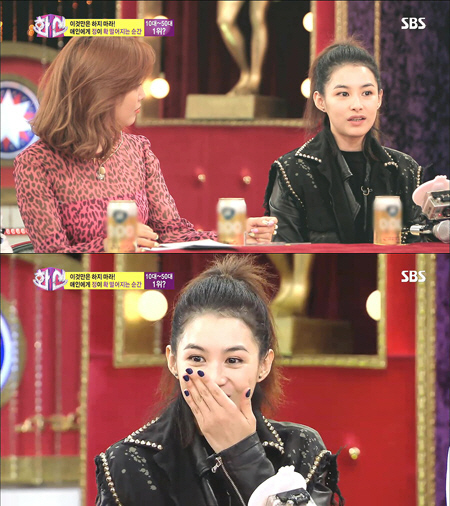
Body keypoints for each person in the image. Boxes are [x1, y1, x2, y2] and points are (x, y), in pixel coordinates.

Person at [95, 255, 344, 506]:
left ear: (264, 365)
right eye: (197, 358)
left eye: (233, 360)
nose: (214, 379)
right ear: (173, 361)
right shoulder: (128, 462)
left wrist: (244, 456)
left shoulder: (300, 448)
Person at [13, 37, 276, 253]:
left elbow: (172, 233)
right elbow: (51, 254)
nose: (142, 95)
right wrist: (108, 246)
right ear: (100, 89)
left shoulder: (138, 151)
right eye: (134, 85)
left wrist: (231, 235)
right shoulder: (35, 163)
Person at [264, 38, 423, 244]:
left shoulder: (404, 169)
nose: (357, 105)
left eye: (367, 93)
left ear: (379, 98)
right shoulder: (292, 170)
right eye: (343, 94)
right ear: (320, 101)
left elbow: (420, 247)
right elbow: (285, 249)